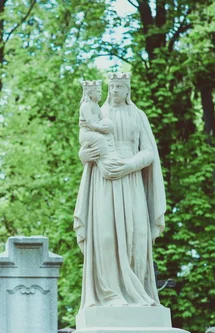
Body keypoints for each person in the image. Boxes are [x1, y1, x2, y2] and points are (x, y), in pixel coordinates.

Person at [74, 72, 166, 308]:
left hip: (131, 179)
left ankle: (136, 293)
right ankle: (109, 294)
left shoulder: (138, 116)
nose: (114, 90)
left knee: (135, 235)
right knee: (105, 236)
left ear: (128, 90)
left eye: (119, 87)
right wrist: (83, 156)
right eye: (111, 86)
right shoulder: (98, 112)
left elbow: (149, 152)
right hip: (103, 182)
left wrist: (129, 165)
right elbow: (85, 139)